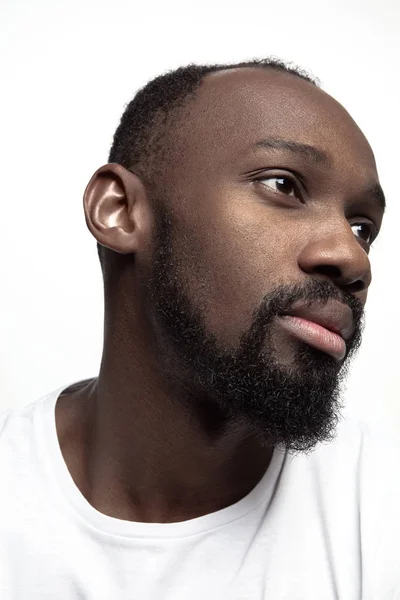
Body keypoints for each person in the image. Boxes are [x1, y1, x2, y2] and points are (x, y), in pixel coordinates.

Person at [1, 58, 399, 599]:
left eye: (363, 228)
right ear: (119, 211)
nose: (353, 258)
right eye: (283, 184)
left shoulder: (381, 509)